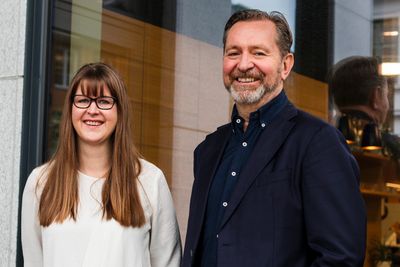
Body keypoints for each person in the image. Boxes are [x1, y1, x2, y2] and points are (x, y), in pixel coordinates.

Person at [182, 9, 366, 267]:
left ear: (286, 65)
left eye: (258, 52)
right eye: (234, 52)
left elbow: (340, 259)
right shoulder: (208, 150)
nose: (244, 64)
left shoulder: (318, 143)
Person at [21, 63, 181, 267]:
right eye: (83, 100)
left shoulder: (150, 180)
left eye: (104, 101)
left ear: (119, 110)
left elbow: (168, 262)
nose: (93, 110)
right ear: (70, 109)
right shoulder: (41, 182)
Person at [329, 56, 392, 149]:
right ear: (376, 95)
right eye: (386, 95)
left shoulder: (321, 139)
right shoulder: (390, 150)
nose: (388, 106)